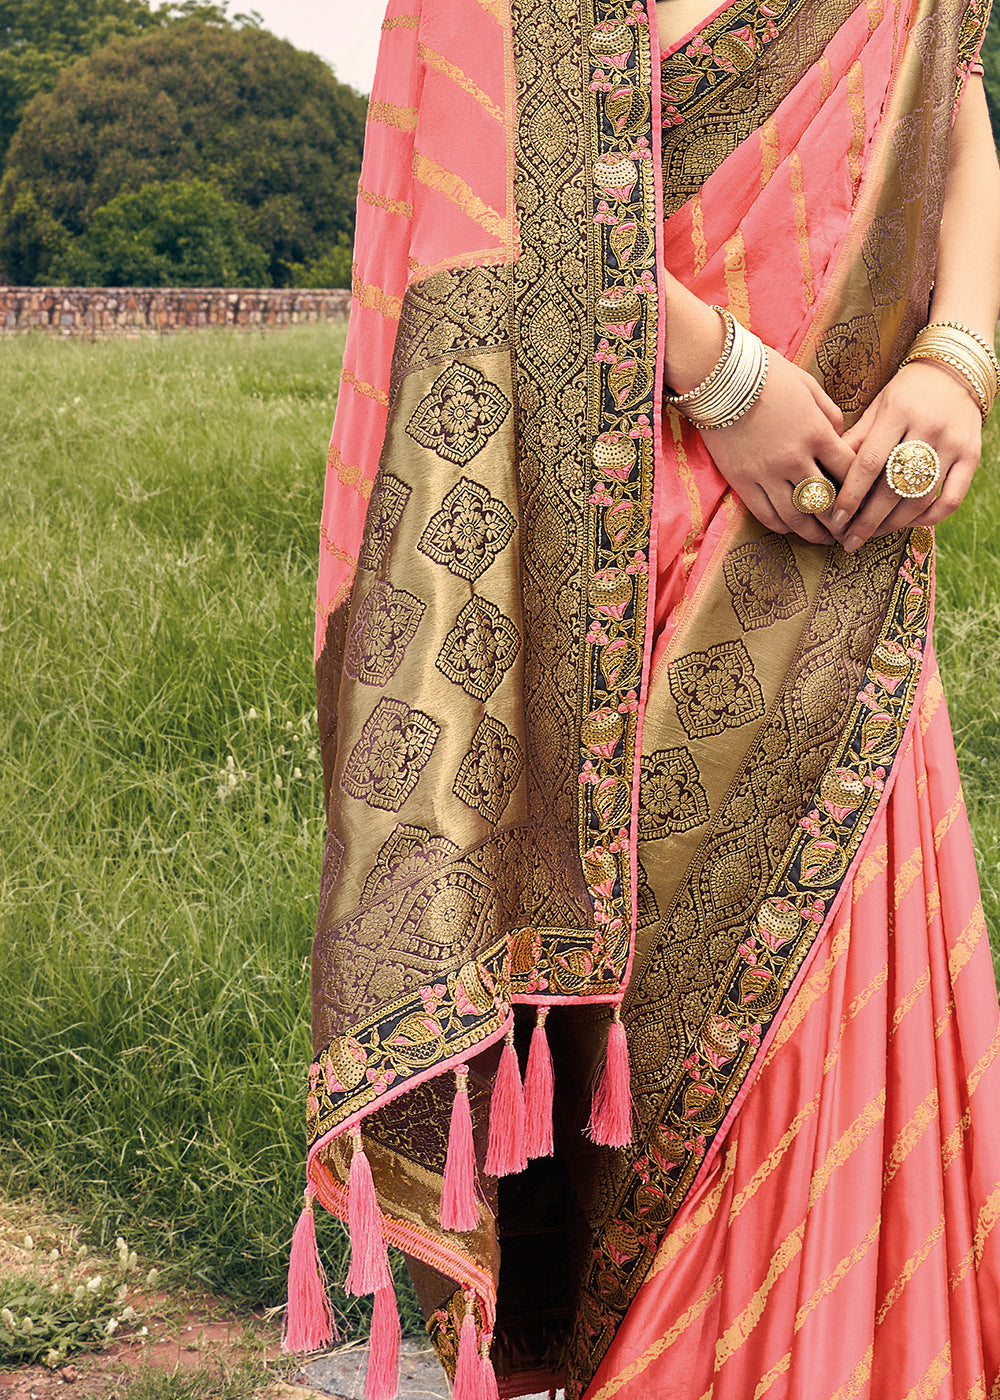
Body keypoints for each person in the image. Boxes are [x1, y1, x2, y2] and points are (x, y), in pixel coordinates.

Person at [289, 0, 1000, 1396]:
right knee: (639, 1124)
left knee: (839, 1082)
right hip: (614, 555)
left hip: (839, 549)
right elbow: (480, 191)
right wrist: (721, 372)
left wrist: (957, 356)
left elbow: (951, 80)